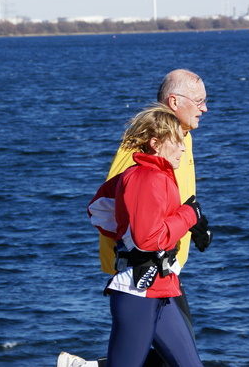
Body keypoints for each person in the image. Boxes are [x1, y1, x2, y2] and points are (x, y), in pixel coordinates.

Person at [58, 70, 210, 367]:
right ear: (175, 101)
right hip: (140, 277)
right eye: (200, 101)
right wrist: (186, 217)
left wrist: (191, 222)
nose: (205, 108)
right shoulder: (141, 160)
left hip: (164, 273)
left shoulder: (180, 136)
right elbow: (122, 217)